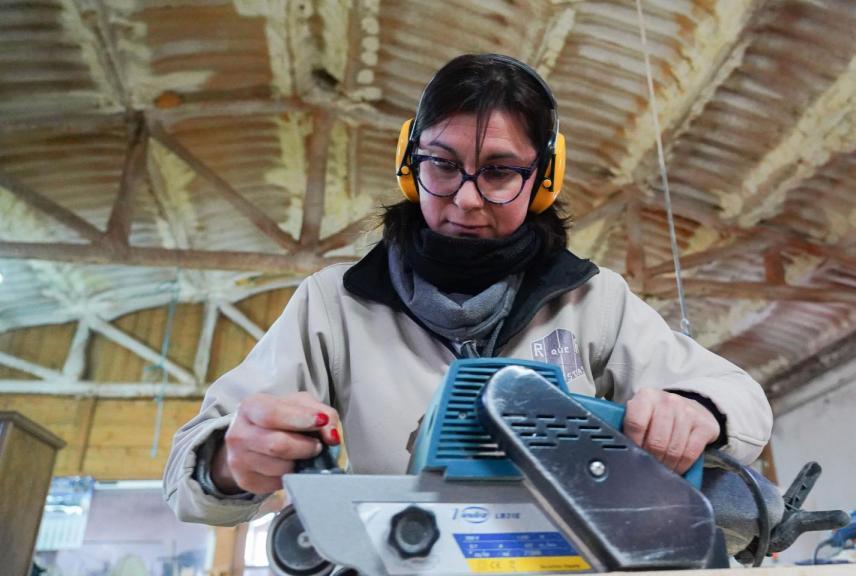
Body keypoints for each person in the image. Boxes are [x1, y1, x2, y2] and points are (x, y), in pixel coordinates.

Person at [163, 53, 772, 526]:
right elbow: (187, 476)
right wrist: (230, 461)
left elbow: (741, 399)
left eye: (501, 171)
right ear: (410, 163)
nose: (467, 198)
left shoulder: (594, 302)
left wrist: (696, 412)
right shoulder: (334, 304)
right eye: (443, 164)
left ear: (544, 179)